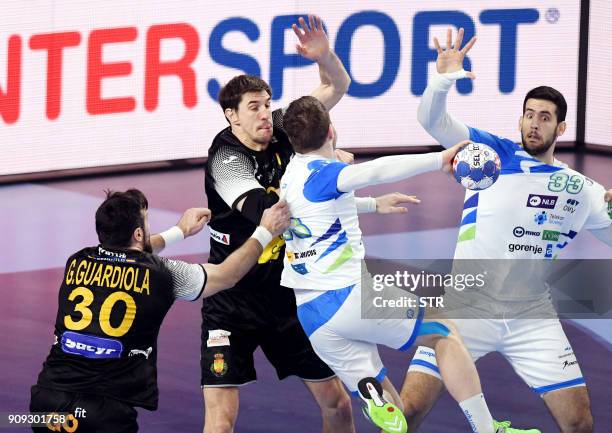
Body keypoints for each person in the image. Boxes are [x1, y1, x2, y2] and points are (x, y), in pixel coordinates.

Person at [279, 95, 540, 433]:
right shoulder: (328, 174)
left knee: (398, 419)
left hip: (312, 316)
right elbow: (378, 169)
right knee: (445, 332)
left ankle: (374, 395)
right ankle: (488, 428)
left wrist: (373, 205)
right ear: (332, 130)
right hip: (347, 298)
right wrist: (438, 159)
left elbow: (319, 210)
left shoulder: (292, 173)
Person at [403, 28, 612, 433]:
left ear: (561, 128)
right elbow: (432, 120)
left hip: (531, 314)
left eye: (545, 117)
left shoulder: (581, 190)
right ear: (520, 118)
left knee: (579, 422)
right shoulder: (492, 155)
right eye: (529, 114)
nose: (534, 124)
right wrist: (443, 77)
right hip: (466, 305)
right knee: (408, 411)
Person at [202, 15, 355, 433]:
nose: (266, 115)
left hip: (288, 295)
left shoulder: (283, 128)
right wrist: (326, 172)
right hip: (231, 302)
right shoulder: (226, 159)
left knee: (338, 404)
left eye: (268, 105)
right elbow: (272, 216)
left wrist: (326, 57)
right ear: (232, 116)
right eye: (254, 108)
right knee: (220, 419)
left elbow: (336, 87)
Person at [30, 189, 290, 433]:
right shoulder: (164, 274)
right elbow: (228, 275)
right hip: (105, 410)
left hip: (45, 401)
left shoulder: (76, 260)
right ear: (139, 234)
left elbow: (125, 252)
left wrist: (179, 232)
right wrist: (265, 231)